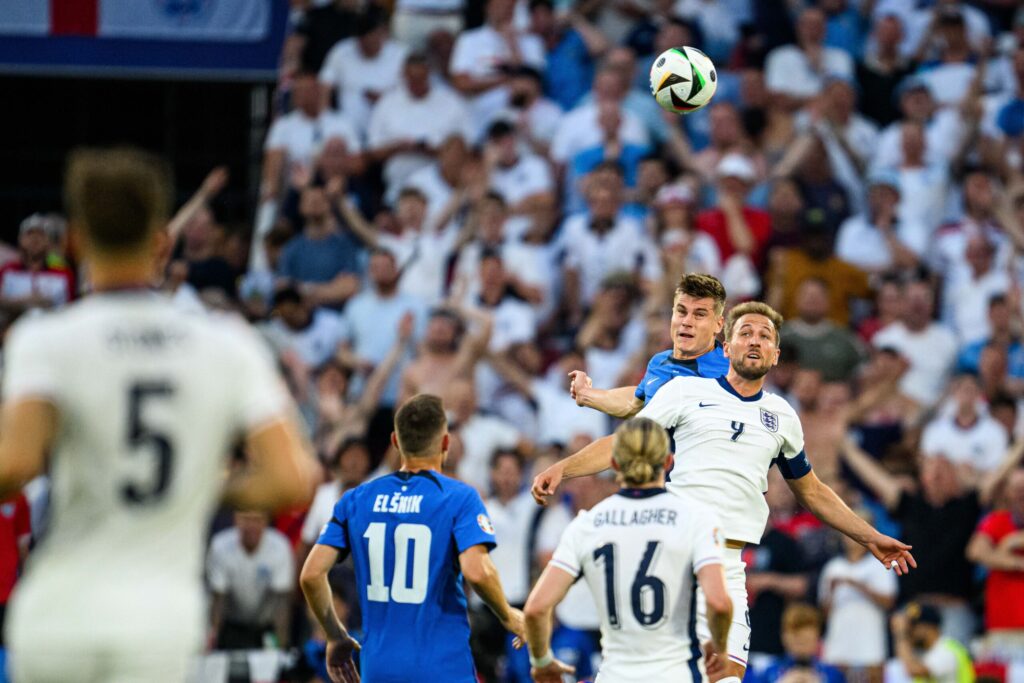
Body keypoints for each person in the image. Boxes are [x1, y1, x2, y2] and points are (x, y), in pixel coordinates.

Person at [0, 147, 317, 682]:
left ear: (74, 239)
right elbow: (293, 478)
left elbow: (14, 466)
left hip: (59, 611)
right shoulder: (224, 343)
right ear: (162, 240)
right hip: (158, 617)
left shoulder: (45, 340)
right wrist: (204, 485)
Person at [533, 301, 915, 681]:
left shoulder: (782, 416)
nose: (754, 340)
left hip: (729, 565)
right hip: (673, 557)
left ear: (776, 354)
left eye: (765, 336)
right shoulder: (684, 391)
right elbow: (624, 444)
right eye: (745, 332)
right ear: (726, 347)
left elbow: (811, 491)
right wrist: (564, 469)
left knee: (726, 677)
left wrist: (870, 537)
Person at [300, 394, 525, 682]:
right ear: (445, 443)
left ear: (395, 442)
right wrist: (507, 615)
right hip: (442, 668)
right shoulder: (460, 498)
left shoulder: (356, 500)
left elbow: (311, 575)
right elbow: (477, 572)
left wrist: (335, 636)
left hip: (379, 670)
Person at [523, 417, 733, 683]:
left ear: (614, 464)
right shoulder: (696, 519)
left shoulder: (587, 524)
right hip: (676, 673)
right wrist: (721, 647)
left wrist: (541, 662)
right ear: (669, 462)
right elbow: (719, 603)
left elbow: (536, 608)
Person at [568, 273, 730, 420]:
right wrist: (585, 394)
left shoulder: (733, 371)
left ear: (718, 324)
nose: (686, 322)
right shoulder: (660, 363)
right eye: (681, 312)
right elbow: (634, 402)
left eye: (699, 314)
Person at [207, 511, 295, 650]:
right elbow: (218, 598)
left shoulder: (279, 547)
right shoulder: (220, 546)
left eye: (257, 520)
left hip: (266, 626)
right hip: (232, 624)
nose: (252, 526)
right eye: (246, 520)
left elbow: (281, 603)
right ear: (236, 520)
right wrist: (213, 635)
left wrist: (282, 642)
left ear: (266, 521)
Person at [755, 604, 845, 683]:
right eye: (797, 642)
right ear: (784, 638)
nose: (801, 648)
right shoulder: (767, 671)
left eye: (806, 641)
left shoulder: (832, 675)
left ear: (817, 639)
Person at [890, 603, 975, 683]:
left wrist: (901, 633)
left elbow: (914, 670)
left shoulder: (945, 651)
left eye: (912, 627)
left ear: (928, 628)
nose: (909, 632)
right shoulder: (924, 652)